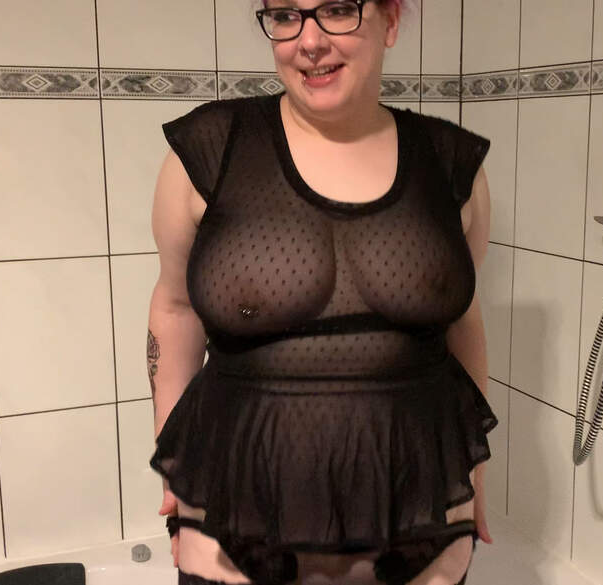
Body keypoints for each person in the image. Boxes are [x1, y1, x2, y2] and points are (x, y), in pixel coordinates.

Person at [146, 0, 498, 584]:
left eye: (337, 9)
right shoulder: (209, 151)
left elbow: (463, 320)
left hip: (422, 523)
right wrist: (172, 458)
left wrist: (476, 471)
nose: (308, 41)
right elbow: (175, 308)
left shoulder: (452, 163)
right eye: (286, 16)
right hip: (232, 519)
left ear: (390, 20)